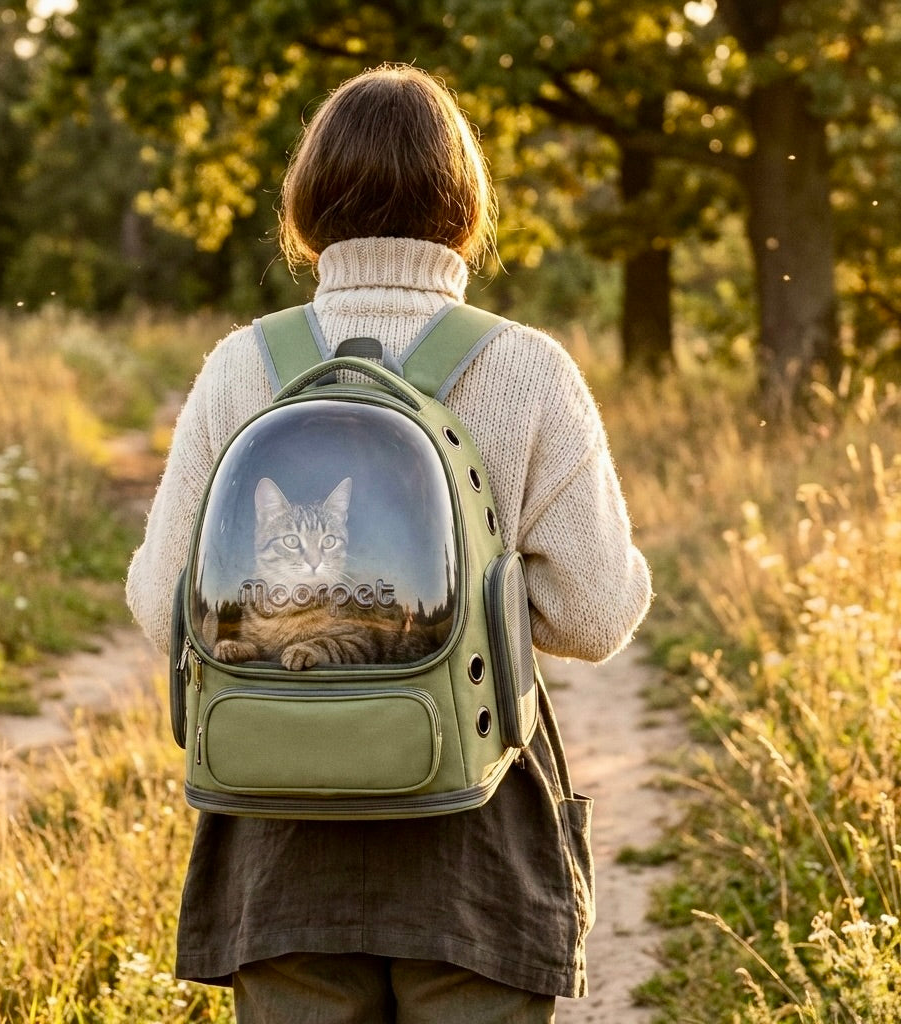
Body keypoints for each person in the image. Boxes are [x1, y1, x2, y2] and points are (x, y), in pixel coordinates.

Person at [126, 63, 652, 1024]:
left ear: (307, 204)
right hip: (474, 819)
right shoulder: (528, 368)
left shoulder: (245, 365)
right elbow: (595, 616)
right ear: (464, 206)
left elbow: (157, 596)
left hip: (277, 827)